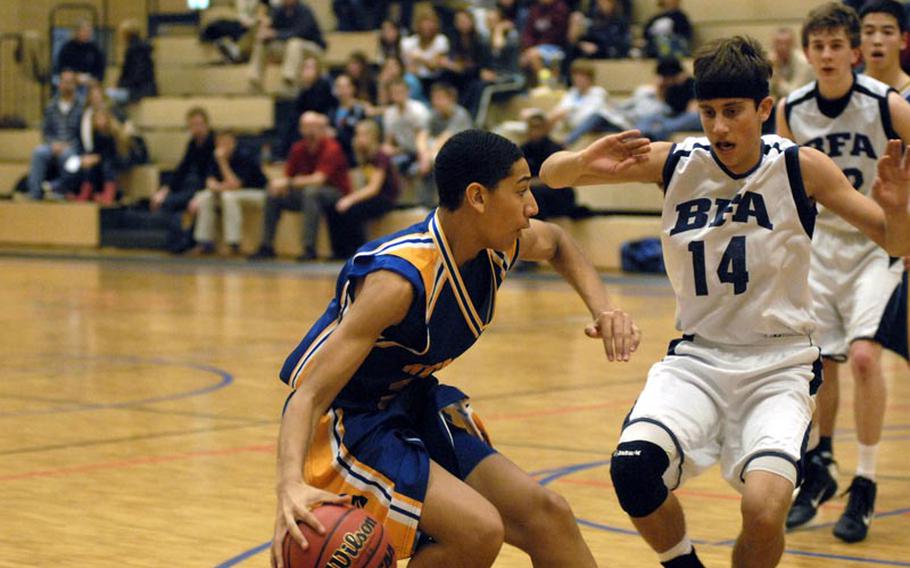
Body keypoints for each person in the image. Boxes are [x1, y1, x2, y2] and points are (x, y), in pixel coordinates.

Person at [540, 35, 910, 567]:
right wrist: (577, 161)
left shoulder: (801, 168)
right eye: (708, 112)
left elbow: (895, 242)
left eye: (733, 112)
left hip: (779, 365)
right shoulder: (677, 162)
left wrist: (898, 208)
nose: (718, 127)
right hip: (698, 359)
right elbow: (546, 175)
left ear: (764, 109)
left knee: (763, 510)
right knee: (633, 470)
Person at [269, 127, 641, 568]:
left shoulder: (498, 243)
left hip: (411, 404)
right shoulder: (398, 282)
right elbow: (309, 395)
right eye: (521, 190)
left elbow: (559, 242)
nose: (532, 206)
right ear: (478, 198)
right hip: (352, 422)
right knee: (478, 529)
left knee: (548, 515)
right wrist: (288, 485)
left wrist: (605, 309)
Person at [776, 2, 910, 543]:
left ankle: (867, 481)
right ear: (808, 53)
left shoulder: (889, 105)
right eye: (819, 46)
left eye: (837, 45)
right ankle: (821, 464)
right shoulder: (792, 108)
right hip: (821, 248)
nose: (827, 55)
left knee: (862, 355)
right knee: (823, 363)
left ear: (855, 53)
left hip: (878, 242)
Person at [250, 112, 350, 261]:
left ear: (320, 128)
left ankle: (309, 248)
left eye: (313, 126)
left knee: (311, 193)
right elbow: (288, 176)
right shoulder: (298, 148)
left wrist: (288, 183)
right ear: (300, 129)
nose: (309, 130)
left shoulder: (332, 147)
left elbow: (319, 179)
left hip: (336, 194)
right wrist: (280, 187)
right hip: (306, 193)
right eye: (305, 126)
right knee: (273, 194)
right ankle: (266, 245)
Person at [188, 129, 268, 256]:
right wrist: (215, 187)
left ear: (233, 142)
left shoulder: (244, 155)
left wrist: (222, 162)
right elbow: (210, 182)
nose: (222, 146)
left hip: (257, 192)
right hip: (228, 191)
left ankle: (233, 243)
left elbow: (235, 184)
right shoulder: (214, 157)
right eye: (220, 143)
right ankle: (204, 242)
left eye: (226, 142)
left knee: (228, 197)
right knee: (205, 197)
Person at [151, 107, 215, 253]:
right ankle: (179, 240)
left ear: (206, 124)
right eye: (192, 125)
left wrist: (199, 196)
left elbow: (212, 174)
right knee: (167, 202)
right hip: (196, 187)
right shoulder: (193, 143)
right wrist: (165, 189)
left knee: (174, 203)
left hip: (207, 188)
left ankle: (184, 241)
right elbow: (182, 170)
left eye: (199, 124)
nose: (196, 129)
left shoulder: (213, 143)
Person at [331, 119, 400, 258]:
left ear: (372, 137)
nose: (359, 138)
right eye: (357, 134)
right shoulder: (363, 155)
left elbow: (374, 188)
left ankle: (360, 251)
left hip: (385, 198)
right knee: (335, 208)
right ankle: (339, 252)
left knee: (353, 210)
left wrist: (350, 199)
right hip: (373, 196)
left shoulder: (381, 156)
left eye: (363, 135)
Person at [27, 69, 84, 200]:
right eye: (64, 82)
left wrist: (68, 145)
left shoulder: (81, 106)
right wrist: (53, 144)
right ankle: (34, 194)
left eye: (70, 82)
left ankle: (59, 190)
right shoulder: (51, 106)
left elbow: (83, 134)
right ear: (59, 84)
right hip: (53, 145)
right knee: (38, 152)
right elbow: (46, 131)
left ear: (75, 85)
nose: (67, 85)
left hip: (73, 147)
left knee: (69, 157)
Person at [248, 0, 326, 91]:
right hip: (290, 48)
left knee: (294, 42)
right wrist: (264, 33)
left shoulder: (305, 10)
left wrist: (275, 34)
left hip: (313, 48)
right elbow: (272, 29)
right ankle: (254, 80)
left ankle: (289, 82)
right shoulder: (278, 10)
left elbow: (299, 33)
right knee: (262, 44)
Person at [521, 110, 574, 219]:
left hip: (558, 193)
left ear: (546, 129)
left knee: (535, 193)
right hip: (533, 189)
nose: (535, 131)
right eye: (532, 127)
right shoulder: (522, 150)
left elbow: (557, 179)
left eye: (538, 127)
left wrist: (529, 183)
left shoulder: (555, 149)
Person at [860, 0, 910, 98]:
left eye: (887, 32)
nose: (877, 41)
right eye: (869, 32)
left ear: (903, 40)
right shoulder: (844, 92)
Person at [112, 19, 157, 103]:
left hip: (139, 90)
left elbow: (135, 74)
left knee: (113, 98)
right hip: (146, 88)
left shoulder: (134, 50)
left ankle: (122, 116)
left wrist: (121, 85)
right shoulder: (143, 49)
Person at [55, 20, 105, 86]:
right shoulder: (67, 48)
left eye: (89, 32)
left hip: (90, 80)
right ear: (77, 32)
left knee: (95, 88)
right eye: (84, 31)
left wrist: (96, 79)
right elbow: (62, 67)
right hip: (73, 79)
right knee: (66, 79)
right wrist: (75, 76)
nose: (87, 34)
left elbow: (100, 67)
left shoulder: (94, 48)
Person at [769, 27, 813, 103]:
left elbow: (795, 94)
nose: (782, 47)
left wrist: (778, 77)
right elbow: (766, 92)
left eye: (786, 43)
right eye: (778, 43)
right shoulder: (770, 60)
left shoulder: (803, 63)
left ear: (793, 44)